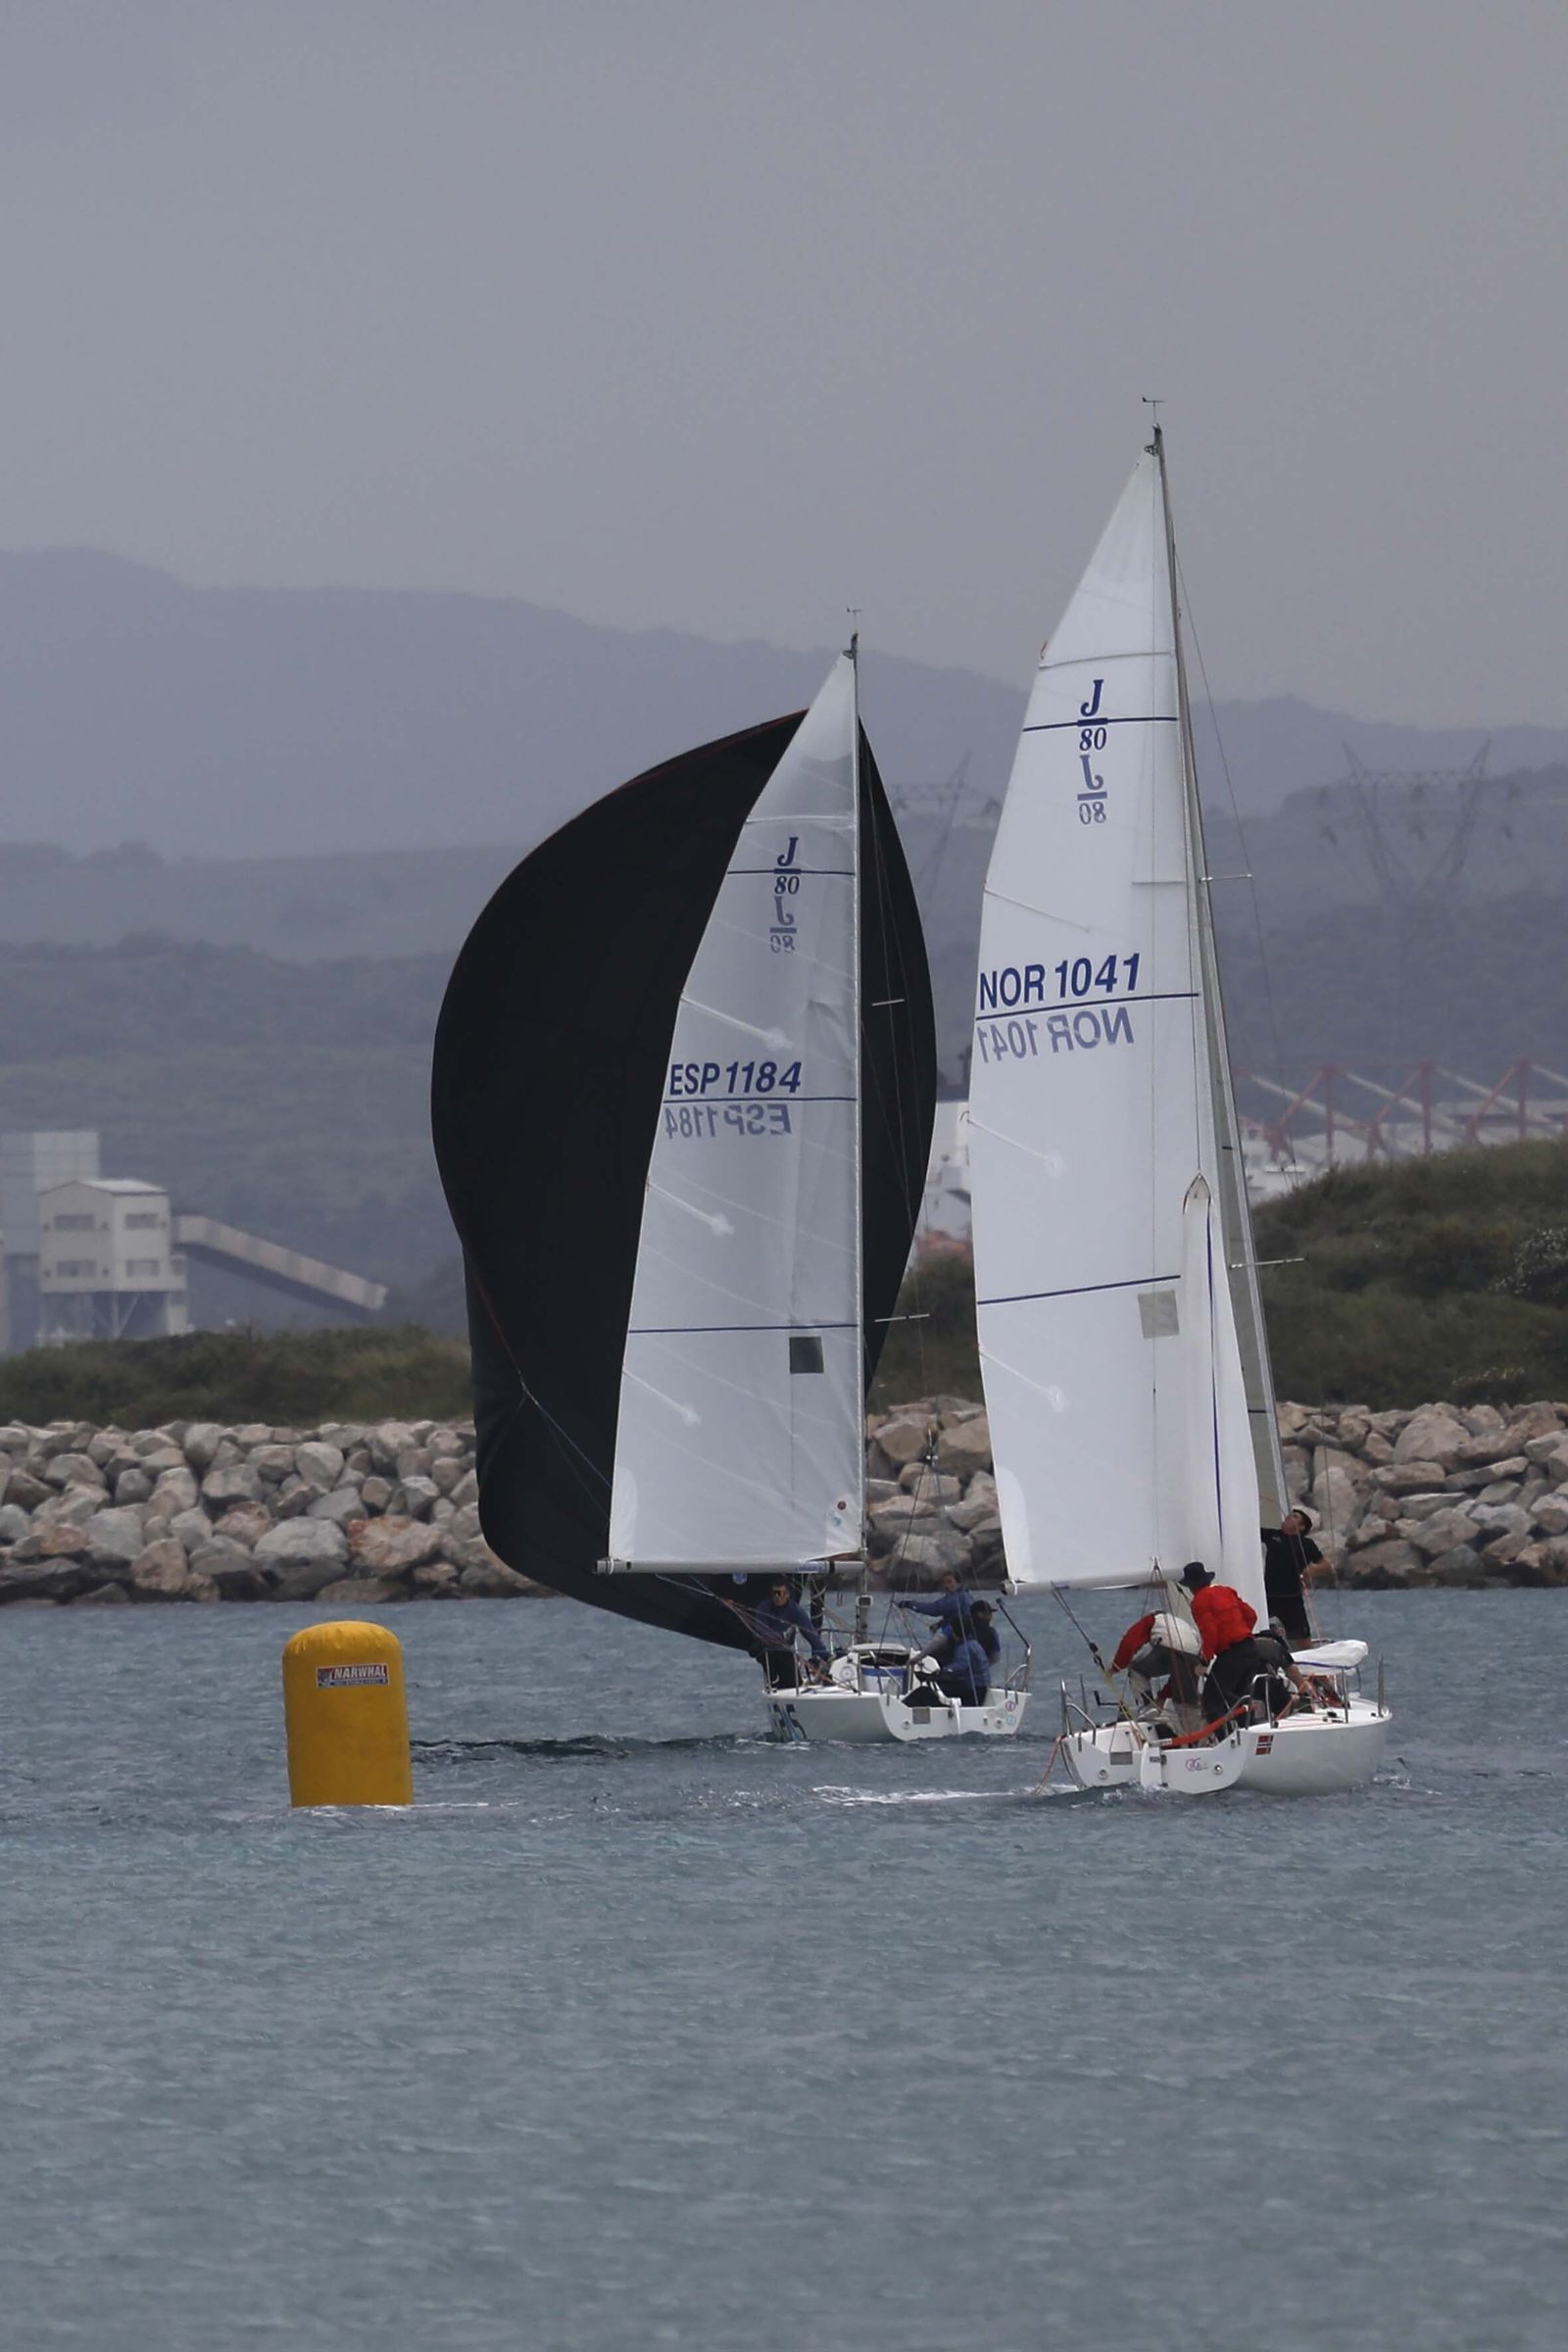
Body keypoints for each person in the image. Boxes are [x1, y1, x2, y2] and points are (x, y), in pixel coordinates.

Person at [1183, 1562, 1315, 1729]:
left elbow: (1210, 1633)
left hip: (1232, 1653)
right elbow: (1251, 1615)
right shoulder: (1226, 1591)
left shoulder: (1199, 1602)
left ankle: (1235, 1733)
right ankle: (1282, 1709)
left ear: (1190, 1587)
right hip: (1249, 1647)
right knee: (1247, 1687)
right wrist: (1241, 1632)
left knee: (1213, 1700)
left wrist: (1204, 1661)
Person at [1261, 1507, 1331, 1645]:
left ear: (1301, 1527)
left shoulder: (1306, 1544)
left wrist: (1309, 1571)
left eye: (1295, 1517)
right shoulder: (1272, 1535)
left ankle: (1309, 1664)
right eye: (1290, 1515)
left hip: (1292, 1599)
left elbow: (1326, 1567)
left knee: (1303, 1639)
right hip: (1268, 1597)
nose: (1288, 1517)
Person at [754, 1578, 829, 1690]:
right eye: (774, 1593)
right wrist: (777, 1639)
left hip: (784, 1650)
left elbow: (810, 1634)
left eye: (780, 1593)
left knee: (794, 1683)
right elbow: (761, 1629)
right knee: (765, 1652)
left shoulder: (795, 1610)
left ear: (788, 1595)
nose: (777, 1597)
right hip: (767, 1649)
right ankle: (773, 1680)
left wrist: (826, 1656)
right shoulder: (764, 1607)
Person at [900, 1570, 978, 1642]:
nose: (946, 1586)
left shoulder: (957, 1598)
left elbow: (935, 1609)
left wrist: (909, 1604)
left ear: (959, 1583)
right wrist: (939, 1624)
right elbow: (957, 1616)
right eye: (944, 1583)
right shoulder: (966, 1595)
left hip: (961, 1640)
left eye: (949, 1582)